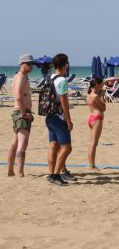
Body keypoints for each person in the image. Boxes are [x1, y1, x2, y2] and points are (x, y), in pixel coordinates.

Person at [46, 53, 75, 185]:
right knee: (67, 148)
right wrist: (68, 119)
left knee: (53, 147)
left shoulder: (50, 77)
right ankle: (56, 175)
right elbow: (63, 100)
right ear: (65, 65)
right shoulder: (62, 80)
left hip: (49, 116)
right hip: (59, 117)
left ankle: (51, 173)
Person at [7, 54, 35, 178]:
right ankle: (20, 172)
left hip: (19, 111)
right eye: (28, 64)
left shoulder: (20, 76)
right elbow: (18, 96)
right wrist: (24, 113)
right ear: (21, 64)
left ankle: (11, 170)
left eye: (32, 64)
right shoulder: (21, 77)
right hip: (21, 112)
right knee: (22, 144)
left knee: (15, 142)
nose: (31, 66)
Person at [86, 78, 107, 170]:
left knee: (91, 143)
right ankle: (92, 165)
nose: (102, 86)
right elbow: (103, 108)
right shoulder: (95, 96)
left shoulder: (89, 94)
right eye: (101, 84)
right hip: (97, 118)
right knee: (94, 143)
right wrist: (102, 96)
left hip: (91, 117)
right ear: (97, 85)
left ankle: (91, 164)